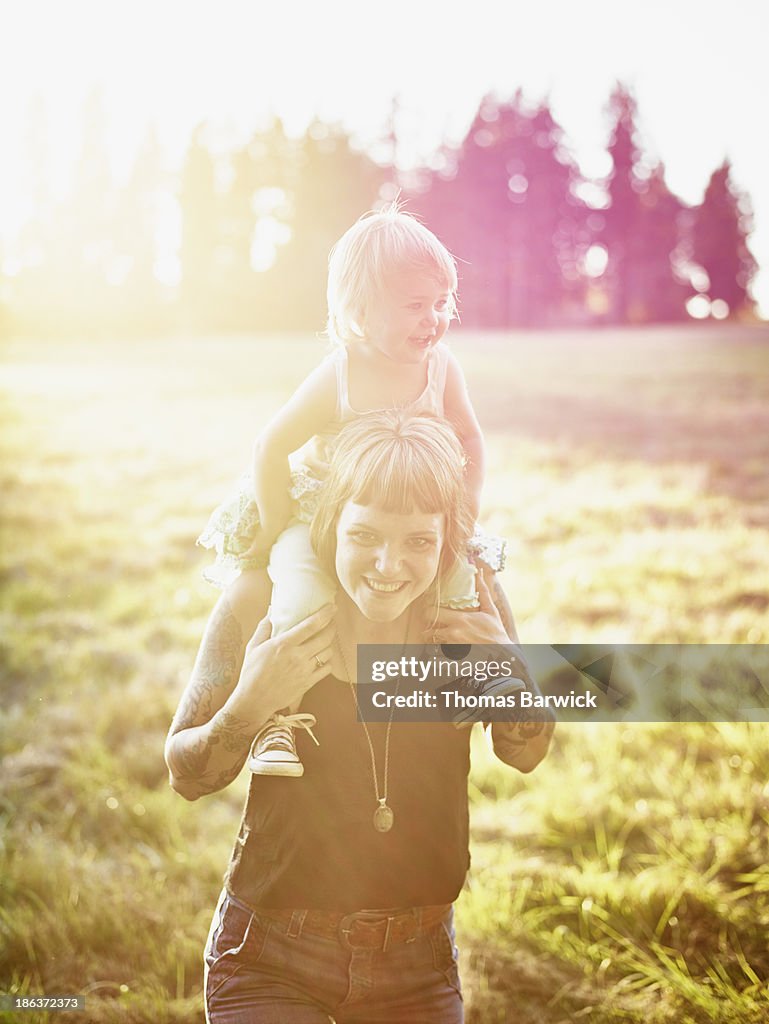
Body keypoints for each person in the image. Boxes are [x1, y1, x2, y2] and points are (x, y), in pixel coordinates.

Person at [165, 410, 554, 1024]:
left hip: (418, 965)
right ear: (329, 525)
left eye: (418, 542)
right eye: (365, 535)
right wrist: (250, 705)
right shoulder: (262, 602)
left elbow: (526, 752)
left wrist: (511, 669)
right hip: (268, 956)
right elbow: (187, 776)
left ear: (446, 540)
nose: (388, 566)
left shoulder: (470, 604)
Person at [197, 204, 505, 777]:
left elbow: (470, 439)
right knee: (301, 599)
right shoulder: (338, 375)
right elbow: (271, 446)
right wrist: (275, 526)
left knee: (461, 584)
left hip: (412, 509)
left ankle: (467, 680)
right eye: (414, 305)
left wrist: (465, 513)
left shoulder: (440, 367)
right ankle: (278, 721)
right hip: (324, 515)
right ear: (360, 310)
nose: (433, 319)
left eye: (441, 303)